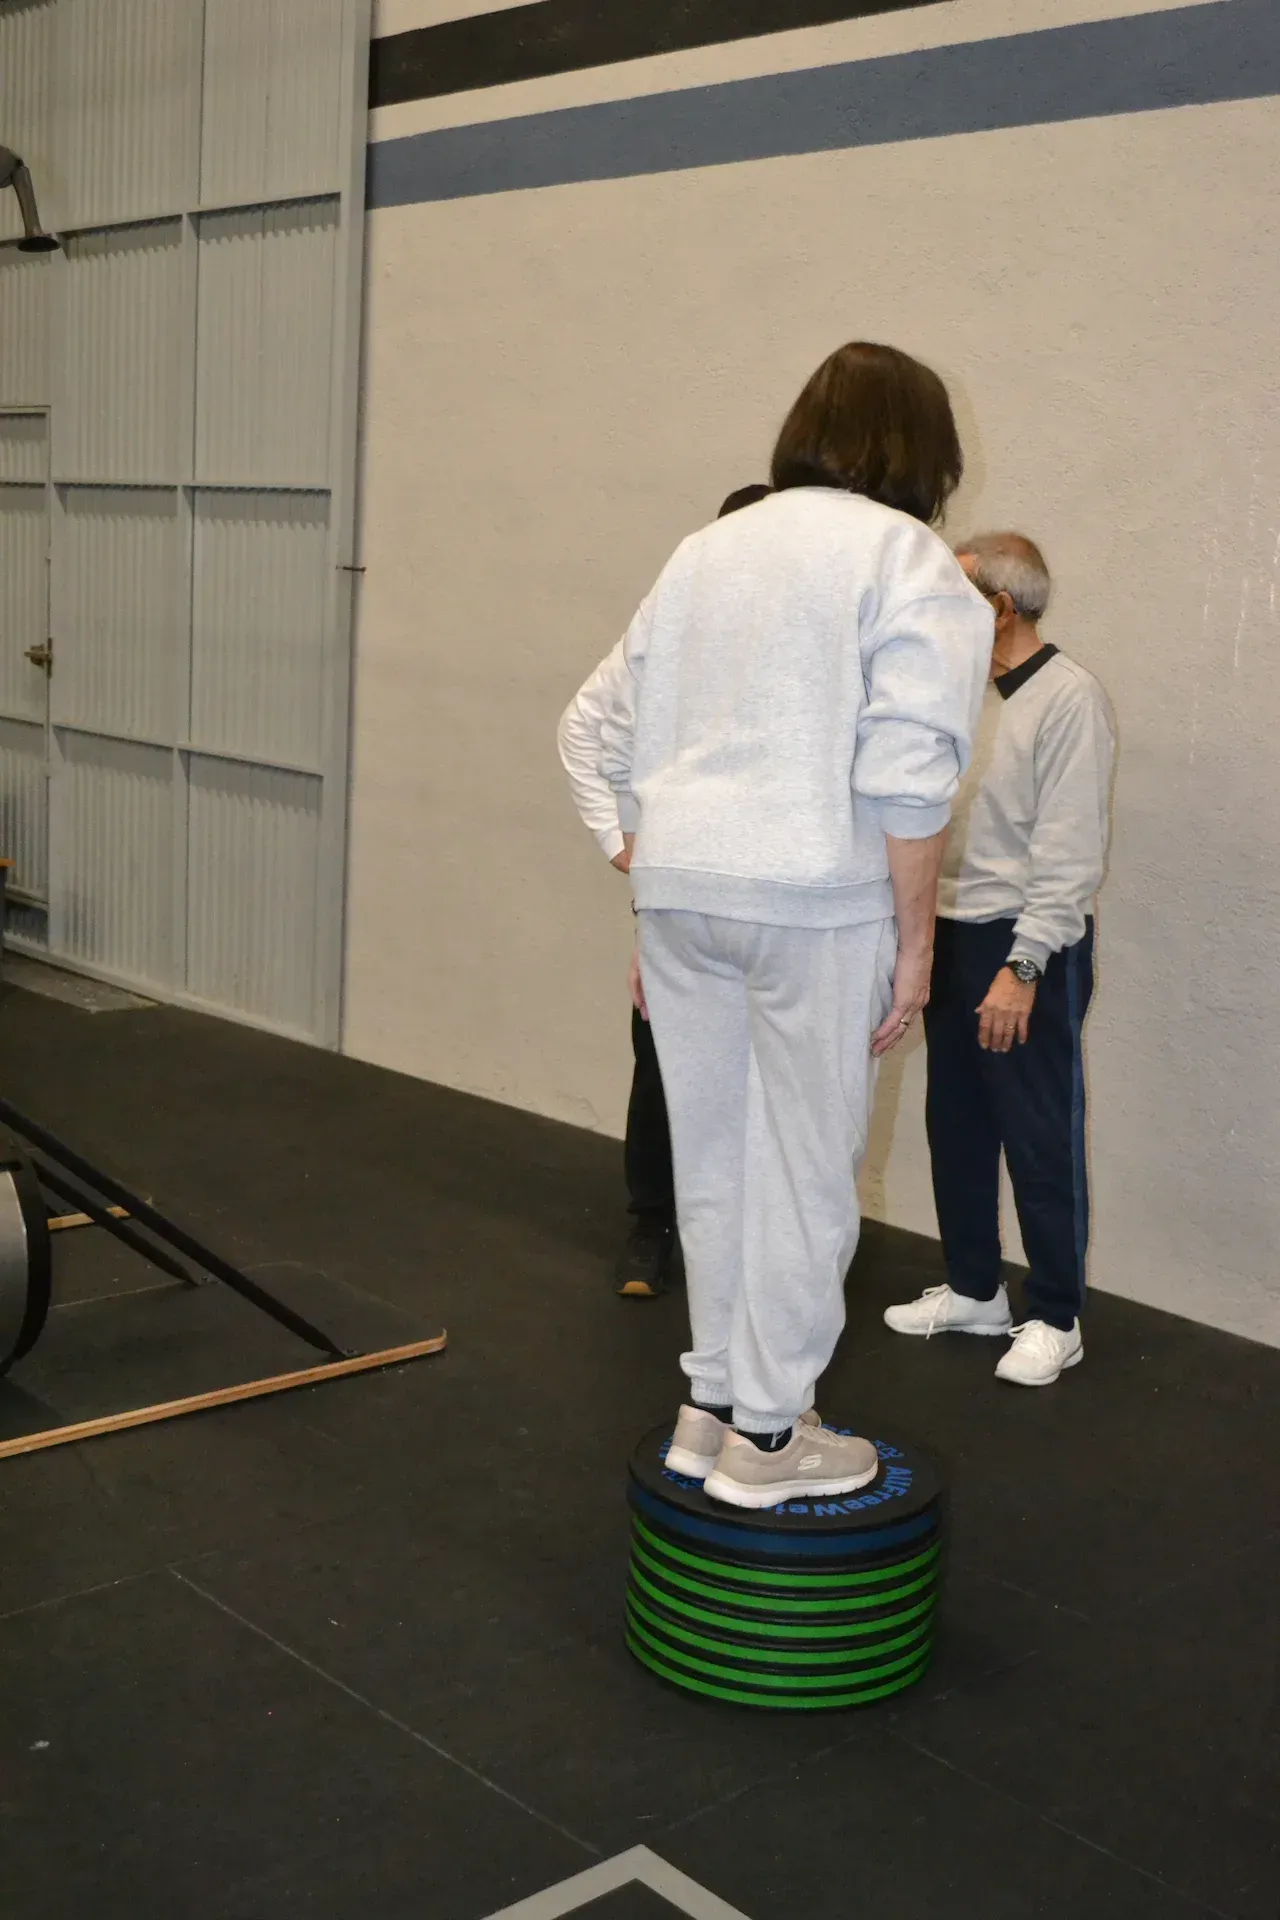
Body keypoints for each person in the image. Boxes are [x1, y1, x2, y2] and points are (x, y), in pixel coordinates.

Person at [567, 341, 992, 1508]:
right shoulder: (905, 559)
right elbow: (910, 776)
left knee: (710, 1159)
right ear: (923, 452)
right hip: (816, 905)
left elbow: (593, 725)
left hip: (685, 897)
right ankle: (767, 1440)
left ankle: (710, 1405)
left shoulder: (704, 552)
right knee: (804, 1170)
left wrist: (651, 872)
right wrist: (915, 945)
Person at [884, 533, 1115, 1386]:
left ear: (999, 608)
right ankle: (977, 1291)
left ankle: (1057, 1315)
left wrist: (1021, 970)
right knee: (958, 1124)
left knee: (1038, 1132)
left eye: (951, 594)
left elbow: (1068, 854)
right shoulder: (964, 698)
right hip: (950, 934)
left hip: (1025, 941)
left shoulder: (1068, 699)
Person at [558, 484, 772, 1300]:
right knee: (661, 1055)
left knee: (765, 1068)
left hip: (770, 896)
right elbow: (583, 728)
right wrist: (621, 845)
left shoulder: (800, 646)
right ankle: (653, 1227)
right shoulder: (671, 634)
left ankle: (750, 1239)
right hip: (680, 887)